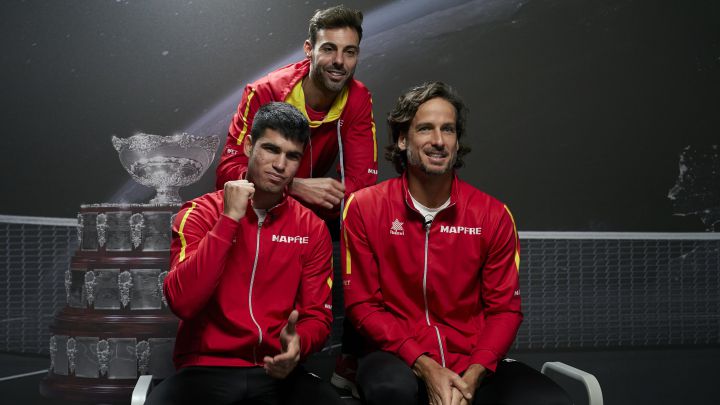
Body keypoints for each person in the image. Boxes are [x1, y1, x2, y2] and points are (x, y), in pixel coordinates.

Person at [341, 82, 573, 405]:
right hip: (396, 356)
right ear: (402, 138)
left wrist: (474, 376)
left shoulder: (493, 215)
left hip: (471, 360)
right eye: (425, 129)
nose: (438, 141)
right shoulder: (365, 207)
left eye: (447, 130)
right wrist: (424, 365)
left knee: (551, 402)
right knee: (390, 391)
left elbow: (505, 309)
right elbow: (362, 306)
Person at [146, 102, 341, 405]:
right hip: (205, 369)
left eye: (292, 156)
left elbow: (317, 316)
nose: (280, 165)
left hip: (276, 371)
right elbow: (183, 302)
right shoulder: (198, 213)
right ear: (249, 146)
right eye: (271, 149)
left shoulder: (312, 228)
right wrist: (229, 220)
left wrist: (298, 344)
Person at [216, 5, 377, 220]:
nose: (339, 61)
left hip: (310, 221)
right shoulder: (266, 91)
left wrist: (319, 206)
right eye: (329, 49)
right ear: (309, 49)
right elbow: (228, 173)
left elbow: (362, 183)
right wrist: (293, 186)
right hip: (255, 214)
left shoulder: (358, 97)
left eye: (349, 52)